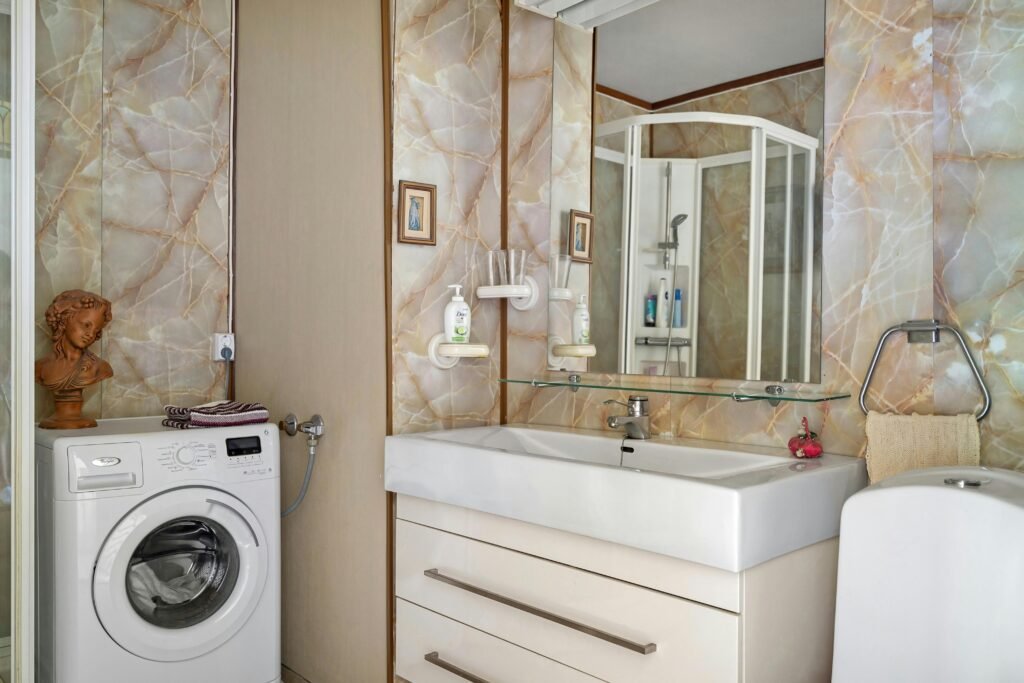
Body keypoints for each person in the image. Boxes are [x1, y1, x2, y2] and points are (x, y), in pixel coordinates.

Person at [36, 290, 113, 429]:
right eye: (86, 325)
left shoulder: (100, 368)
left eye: (96, 330)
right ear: (65, 320)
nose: (90, 334)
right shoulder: (40, 368)